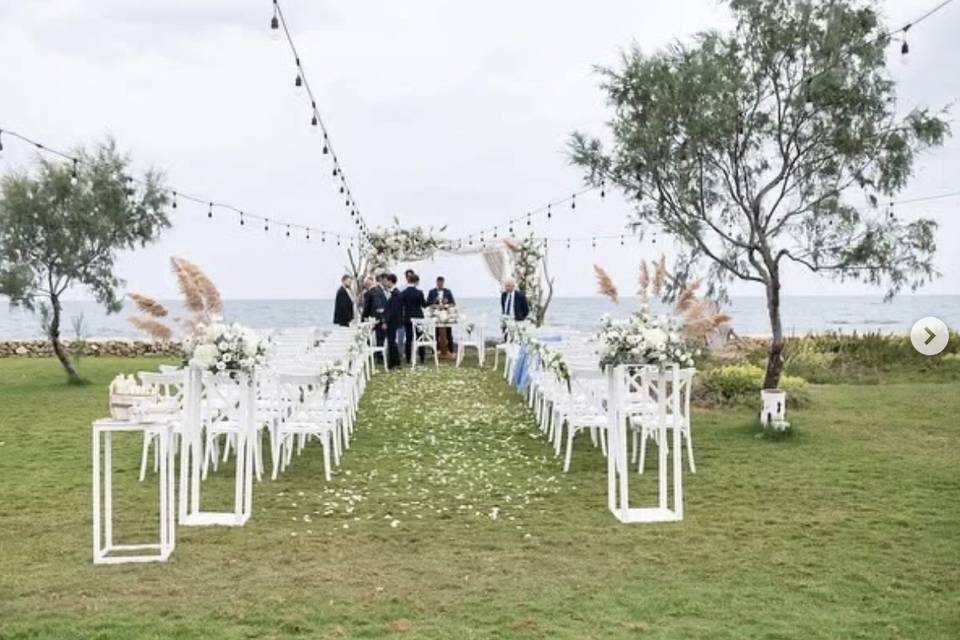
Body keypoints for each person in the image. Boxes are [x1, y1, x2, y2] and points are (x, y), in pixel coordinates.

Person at [401, 273, 427, 363]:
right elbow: (424, 305)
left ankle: (408, 358)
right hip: (418, 317)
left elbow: (401, 305)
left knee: (409, 338)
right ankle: (422, 357)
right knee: (420, 337)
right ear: (416, 282)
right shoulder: (419, 293)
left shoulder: (403, 293)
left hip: (408, 318)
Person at [362, 275, 388, 364]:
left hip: (375, 319)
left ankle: (376, 355)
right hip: (381, 317)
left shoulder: (371, 293)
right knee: (379, 338)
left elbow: (371, 307)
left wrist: (364, 317)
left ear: (366, 284)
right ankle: (378, 355)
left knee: (367, 336)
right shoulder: (380, 291)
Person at [427, 276, 455, 350]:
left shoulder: (448, 292)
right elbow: (428, 303)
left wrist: (446, 304)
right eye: (438, 282)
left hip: (446, 314)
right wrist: (435, 302)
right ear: (437, 282)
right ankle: (436, 351)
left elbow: (453, 303)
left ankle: (450, 350)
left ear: (443, 283)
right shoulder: (432, 292)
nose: (440, 284)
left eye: (441, 283)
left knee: (448, 332)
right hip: (435, 314)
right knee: (436, 333)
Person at [384, 273, 404, 369]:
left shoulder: (396, 293)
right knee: (391, 342)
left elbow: (393, 310)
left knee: (392, 342)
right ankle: (393, 363)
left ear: (391, 281)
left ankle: (395, 363)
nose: (385, 282)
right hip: (392, 321)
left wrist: (386, 322)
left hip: (392, 322)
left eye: (387, 281)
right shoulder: (393, 293)